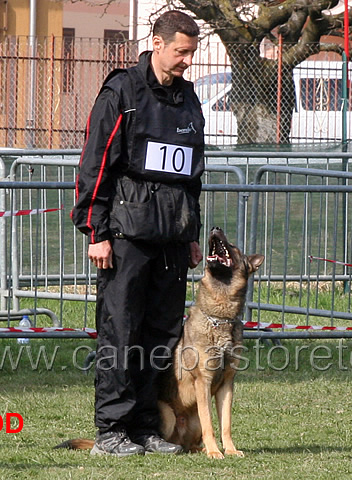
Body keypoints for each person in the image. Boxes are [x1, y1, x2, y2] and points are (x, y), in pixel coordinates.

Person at [71, 11, 205, 457]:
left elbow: (191, 174)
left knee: (162, 336)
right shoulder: (121, 92)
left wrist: (191, 233)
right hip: (125, 237)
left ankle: (147, 425)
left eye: (192, 52)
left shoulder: (189, 99)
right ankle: (111, 428)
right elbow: (95, 164)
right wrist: (96, 231)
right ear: (157, 43)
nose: (187, 60)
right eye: (181, 51)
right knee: (121, 333)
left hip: (172, 237)